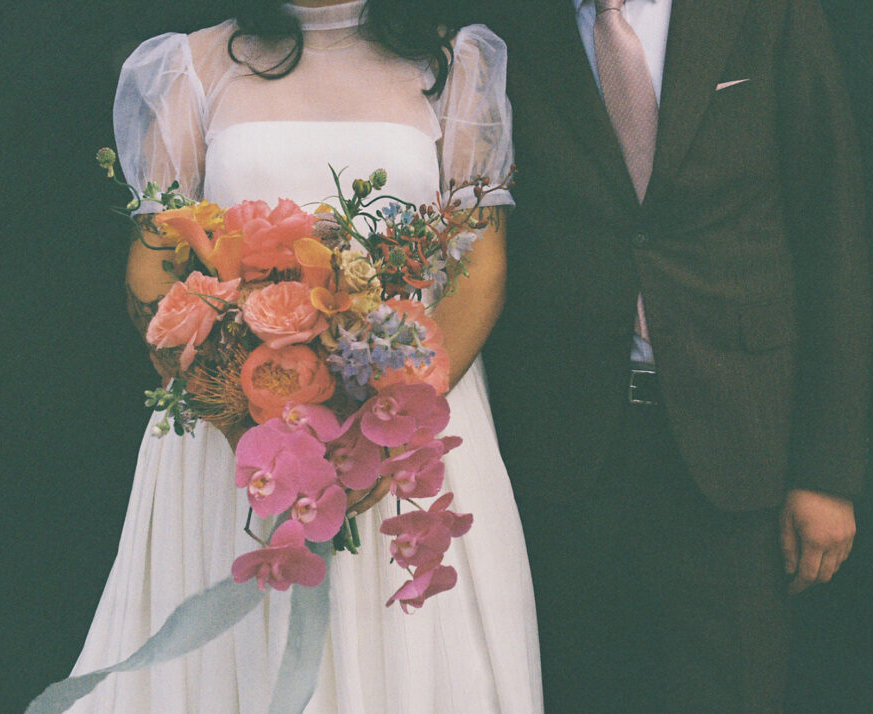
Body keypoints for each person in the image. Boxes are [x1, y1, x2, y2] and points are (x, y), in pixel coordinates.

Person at [68, 1, 542, 711]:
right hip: (232, 444)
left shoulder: (457, 66)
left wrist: (383, 430)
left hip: (407, 436)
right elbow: (153, 273)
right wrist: (244, 424)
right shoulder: (190, 68)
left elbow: (481, 272)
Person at [483, 0, 868, 711]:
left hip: (736, 441)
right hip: (561, 451)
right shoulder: (503, 24)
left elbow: (830, 227)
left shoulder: (767, 13)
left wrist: (827, 469)